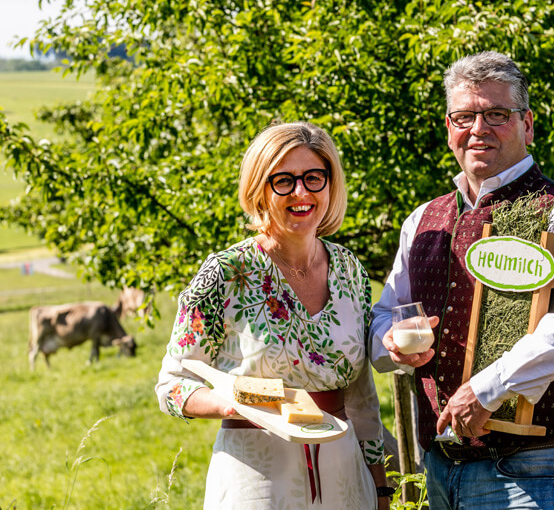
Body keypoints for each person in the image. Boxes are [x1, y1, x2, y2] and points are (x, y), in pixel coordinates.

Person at [370, 51, 554, 509]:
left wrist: (488, 388)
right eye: (464, 116)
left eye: (496, 114)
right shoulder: (423, 219)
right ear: (449, 128)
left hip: (529, 467)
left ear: (527, 125)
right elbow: (385, 313)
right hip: (439, 464)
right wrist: (389, 343)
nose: (478, 129)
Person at [156, 122, 391, 510]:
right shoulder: (227, 273)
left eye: (314, 177)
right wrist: (229, 404)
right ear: (259, 190)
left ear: (330, 184)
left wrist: (381, 489)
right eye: (283, 181)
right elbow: (172, 384)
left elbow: (361, 395)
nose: (301, 192)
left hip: (345, 479)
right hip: (257, 477)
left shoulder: (350, 270)